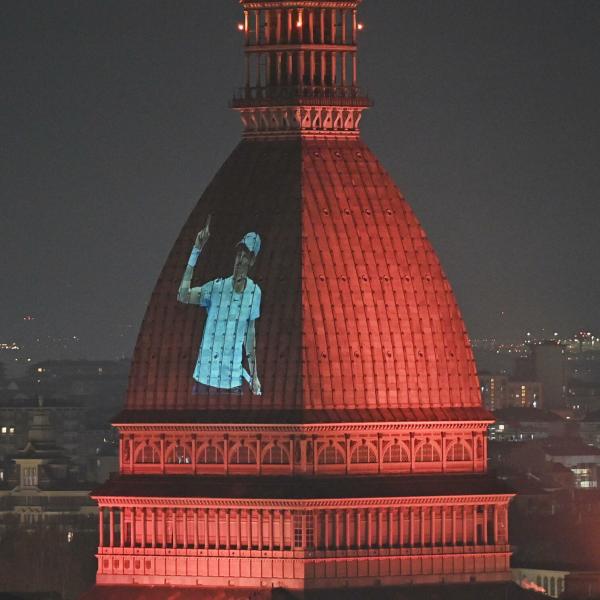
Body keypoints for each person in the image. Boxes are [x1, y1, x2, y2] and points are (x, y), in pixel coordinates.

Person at [178, 215, 262, 395]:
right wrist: (196, 251)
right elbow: (183, 295)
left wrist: (254, 376)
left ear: (252, 261)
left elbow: (250, 336)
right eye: (238, 254)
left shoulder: (255, 293)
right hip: (203, 381)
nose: (239, 260)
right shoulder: (216, 288)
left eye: (245, 256)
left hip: (232, 385)